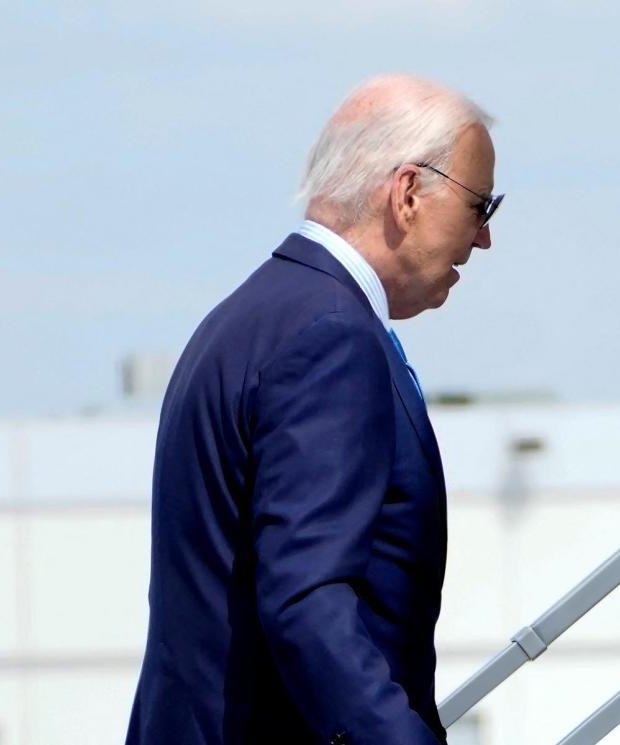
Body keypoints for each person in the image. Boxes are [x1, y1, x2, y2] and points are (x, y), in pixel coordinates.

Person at [125, 74, 501, 745]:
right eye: (481, 207)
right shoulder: (332, 335)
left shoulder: (246, 319)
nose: (483, 240)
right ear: (408, 193)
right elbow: (309, 601)